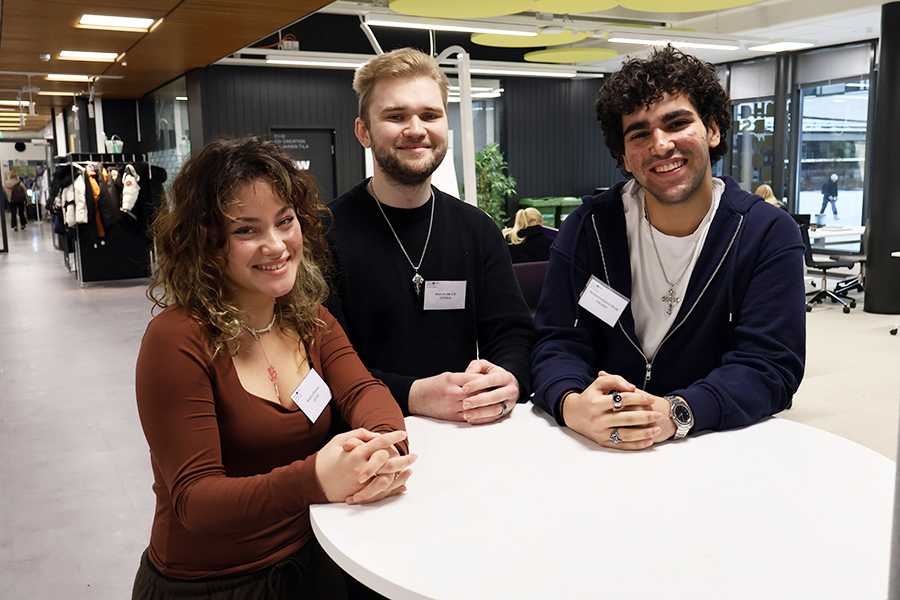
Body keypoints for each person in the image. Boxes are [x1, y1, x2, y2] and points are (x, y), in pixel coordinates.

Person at [132, 136, 416, 599]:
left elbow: (364, 391)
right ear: (207, 241)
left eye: (285, 221)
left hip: (313, 561)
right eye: (246, 230)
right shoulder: (176, 340)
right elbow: (195, 501)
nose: (275, 245)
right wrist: (317, 478)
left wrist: (383, 447)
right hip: (211, 583)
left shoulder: (308, 317)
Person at [530, 46, 806, 450]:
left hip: (715, 442)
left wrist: (677, 411)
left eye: (676, 123)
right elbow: (557, 341)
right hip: (599, 446)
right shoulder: (589, 228)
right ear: (624, 156)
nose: (660, 145)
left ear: (712, 130)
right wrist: (571, 403)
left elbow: (769, 367)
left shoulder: (766, 234)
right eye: (640, 133)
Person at [326, 47, 533, 426]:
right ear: (364, 132)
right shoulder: (323, 234)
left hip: (469, 433)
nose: (416, 129)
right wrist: (413, 394)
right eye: (396, 116)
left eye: (430, 115)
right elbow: (321, 364)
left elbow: (512, 333)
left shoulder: (478, 230)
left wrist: (510, 378)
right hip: (368, 439)